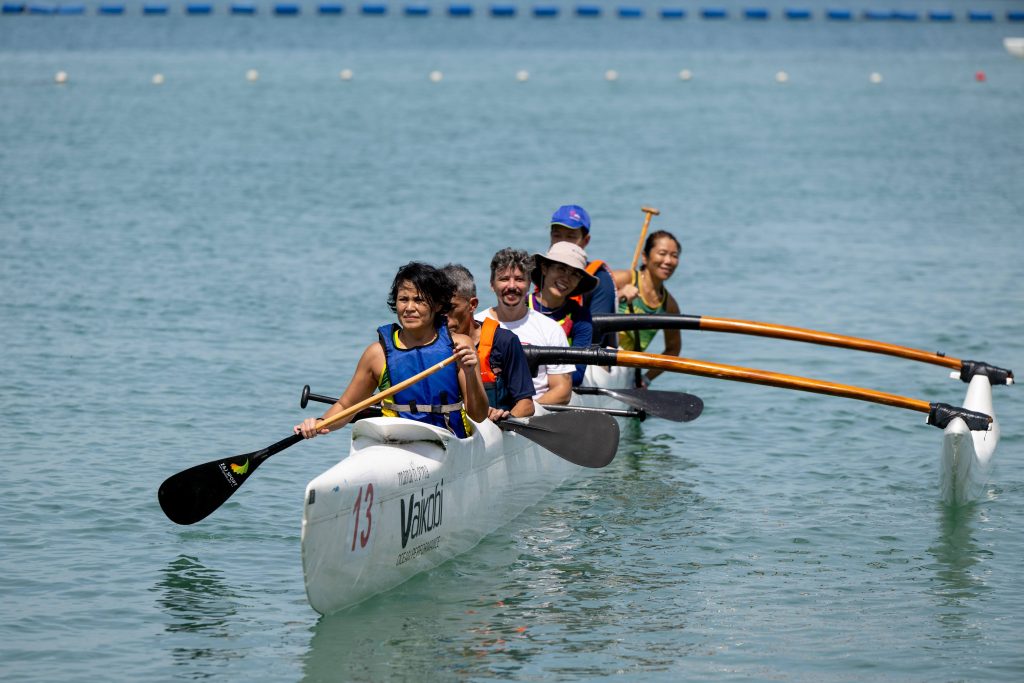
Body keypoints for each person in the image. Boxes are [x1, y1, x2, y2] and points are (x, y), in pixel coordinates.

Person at [295, 262, 488, 440]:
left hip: (450, 442)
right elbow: (346, 406)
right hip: (396, 445)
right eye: (403, 299)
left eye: (419, 300)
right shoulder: (377, 355)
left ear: (437, 305)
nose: (409, 308)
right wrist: (319, 424)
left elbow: (478, 415)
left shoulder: (459, 346)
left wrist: (470, 373)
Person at [475, 248, 574, 406]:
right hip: (486, 413)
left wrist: (522, 411)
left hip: (535, 412)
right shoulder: (475, 323)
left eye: (519, 279)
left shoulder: (550, 328)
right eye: (504, 279)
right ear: (492, 284)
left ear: (529, 285)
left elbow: (562, 391)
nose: (512, 286)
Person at [441, 263, 535, 421]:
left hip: (495, 429)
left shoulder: (505, 341)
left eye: (450, 308)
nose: (443, 316)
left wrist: (505, 418)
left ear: (472, 305)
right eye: (438, 308)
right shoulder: (431, 344)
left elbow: (526, 404)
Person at [612, 230, 682, 385]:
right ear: (645, 256)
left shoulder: (669, 306)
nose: (668, 261)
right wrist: (620, 294)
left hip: (628, 369)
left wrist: (646, 379)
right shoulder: (622, 279)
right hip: (602, 355)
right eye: (662, 253)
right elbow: (586, 298)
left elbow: (673, 350)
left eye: (674, 256)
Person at [528, 242, 598, 387]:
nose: (566, 278)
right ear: (545, 268)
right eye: (561, 268)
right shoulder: (520, 306)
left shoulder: (581, 317)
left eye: (574, 274)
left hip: (556, 393)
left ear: (579, 282)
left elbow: (577, 375)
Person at [548, 204, 618, 347]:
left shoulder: (601, 280)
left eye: (570, 236)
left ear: (586, 240)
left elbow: (596, 338)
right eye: (557, 235)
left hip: (593, 358)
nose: (563, 242)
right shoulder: (545, 273)